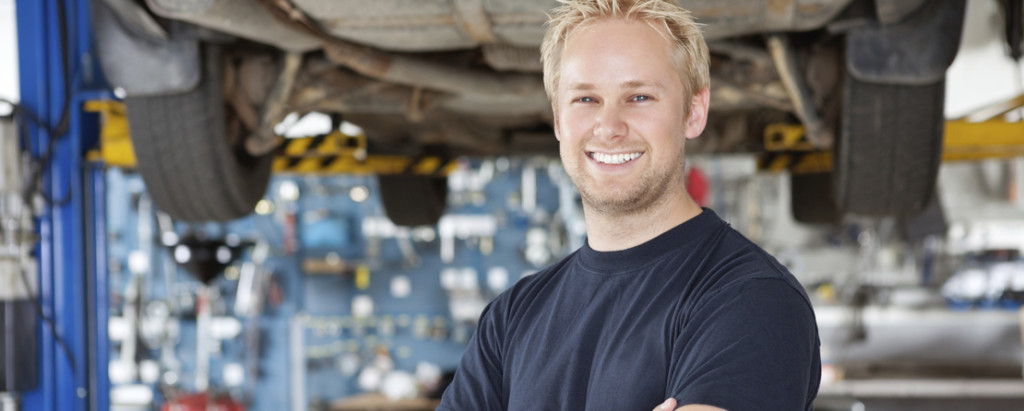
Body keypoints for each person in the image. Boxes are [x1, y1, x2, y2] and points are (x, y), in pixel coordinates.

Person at [437, 0, 821, 409]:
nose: (609, 127)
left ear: (694, 111)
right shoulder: (512, 317)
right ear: (557, 120)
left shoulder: (751, 301)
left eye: (639, 97)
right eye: (585, 99)